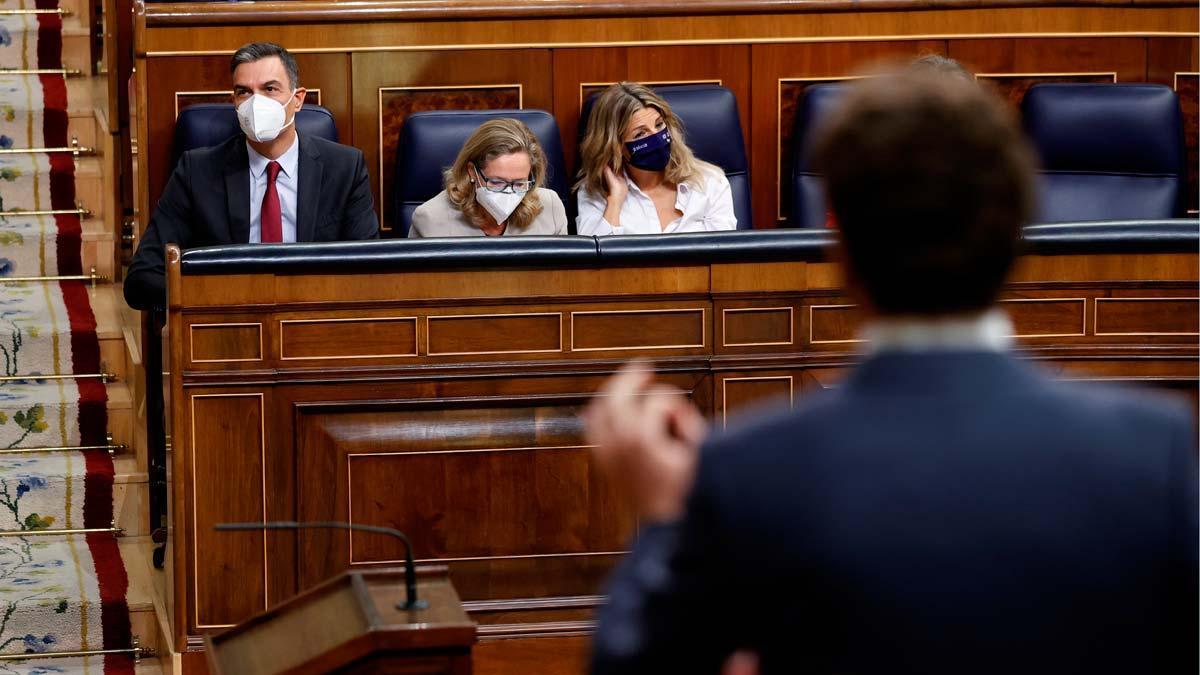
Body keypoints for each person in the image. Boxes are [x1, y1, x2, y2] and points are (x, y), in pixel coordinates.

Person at [584, 67, 1197, 674]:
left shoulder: (745, 471)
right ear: (1017, 231)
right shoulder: (1155, 451)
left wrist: (664, 520)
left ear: (840, 251)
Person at [125, 42, 379, 312]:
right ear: (234, 101)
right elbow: (142, 278)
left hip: (314, 326)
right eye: (244, 92)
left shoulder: (344, 168)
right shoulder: (197, 172)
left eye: (270, 89)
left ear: (298, 99)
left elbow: (370, 271)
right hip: (227, 328)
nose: (256, 103)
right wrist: (220, 301)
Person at [575, 82, 736, 235]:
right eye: (640, 133)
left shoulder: (709, 182)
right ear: (616, 147)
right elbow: (594, 260)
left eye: (659, 125)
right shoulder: (595, 195)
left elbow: (723, 255)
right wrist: (615, 201)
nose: (657, 138)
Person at [408, 118, 567, 237]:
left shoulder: (550, 208)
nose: (508, 193)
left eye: (519, 184)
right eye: (497, 182)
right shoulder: (430, 218)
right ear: (472, 172)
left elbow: (564, 279)